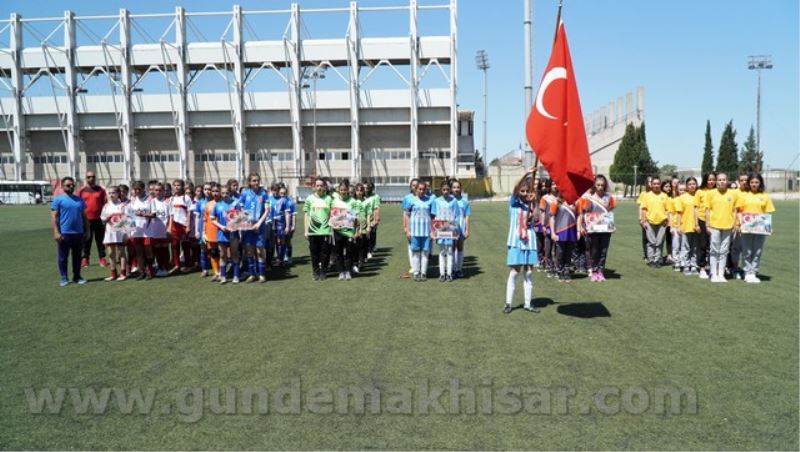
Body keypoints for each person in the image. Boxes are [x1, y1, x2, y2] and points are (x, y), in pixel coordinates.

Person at [504, 168, 539, 313]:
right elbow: (516, 187)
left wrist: (534, 202)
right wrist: (526, 173)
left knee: (529, 273)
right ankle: (508, 304)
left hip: (529, 241)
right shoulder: (514, 202)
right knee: (514, 272)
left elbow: (536, 218)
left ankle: (527, 303)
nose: (525, 194)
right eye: (522, 191)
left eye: (527, 191)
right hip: (516, 241)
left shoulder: (531, 204)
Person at [736, 173, 775, 284]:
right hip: (746, 228)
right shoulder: (744, 196)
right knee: (747, 251)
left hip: (760, 229)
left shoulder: (765, 196)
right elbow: (739, 211)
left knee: (757, 251)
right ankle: (747, 272)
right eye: (752, 182)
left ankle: (754, 272)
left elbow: (767, 213)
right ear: (749, 183)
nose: (754, 184)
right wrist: (740, 224)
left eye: (756, 182)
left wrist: (769, 228)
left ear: (760, 183)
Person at [51, 176, 89, 286]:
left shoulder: (80, 200)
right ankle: (64, 277)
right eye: (68, 185)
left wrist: (87, 230)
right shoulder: (58, 200)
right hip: (64, 233)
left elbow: (84, 216)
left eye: (72, 185)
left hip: (78, 233)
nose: (71, 186)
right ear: (62, 186)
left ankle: (77, 276)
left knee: (77, 257)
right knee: (63, 257)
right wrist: (56, 231)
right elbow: (54, 217)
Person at [577, 175, 616, 282]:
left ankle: (600, 271)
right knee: (594, 251)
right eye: (598, 185)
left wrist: (612, 225)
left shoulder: (609, 197)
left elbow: (610, 212)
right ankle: (593, 271)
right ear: (594, 185)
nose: (600, 187)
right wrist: (581, 226)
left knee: (603, 251)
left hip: (605, 229)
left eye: (602, 185)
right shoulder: (588, 198)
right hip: (592, 229)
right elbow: (583, 213)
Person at [704, 173, 739, 283]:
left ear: (727, 181)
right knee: (714, 250)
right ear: (716, 181)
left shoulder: (732, 194)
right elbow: (707, 210)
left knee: (724, 251)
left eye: (724, 179)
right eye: (719, 180)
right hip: (714, 226)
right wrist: (707, 225)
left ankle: (721, 273)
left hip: (728, 226)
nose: (722, 182)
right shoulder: (710, 193)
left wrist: (735, 224)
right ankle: (713, 273)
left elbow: (735, 211)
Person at [240, 173, 270, 283]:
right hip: (248, 228)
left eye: (257, 180)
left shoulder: (263, 194)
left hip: (260, 227)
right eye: (253, 181)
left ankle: (262, 275)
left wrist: (258, 224)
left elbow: (267, 210)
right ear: (249, 182)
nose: (256, 183)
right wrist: (248, 223)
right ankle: (252, 274)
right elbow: (241, 210)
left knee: (260, 250)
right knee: (249, 251)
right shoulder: (245, 194)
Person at [430, 180, 461, 282]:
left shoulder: (454, 201)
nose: (446, 191)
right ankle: (442, 274)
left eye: (447, 189)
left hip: (450, 230)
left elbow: (456, 217)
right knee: (442, 251)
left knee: (450, 252)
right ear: (441, 190)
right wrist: (434, 231)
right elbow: (434, 217)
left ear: (450, 190)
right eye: (444, 189)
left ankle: (449, 273)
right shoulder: (436, 201)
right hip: (440, 231)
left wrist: (455, 230)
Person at [304, 178, 333, 281]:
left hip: (326, 231)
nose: (319, 187)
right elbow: (307, 215)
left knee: (325, 253)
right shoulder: (309, 199)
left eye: (321, 185)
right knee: (314, 253)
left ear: (324, 187)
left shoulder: (329, 199)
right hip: (313, 231)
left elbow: (332, 214)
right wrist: (306, 230)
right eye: (318, 186)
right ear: (314, 187)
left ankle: (323, 272)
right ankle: (315, 272)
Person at [77, 171, 108, 268]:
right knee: (86, 240)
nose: (91, 178)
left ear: (95, 177)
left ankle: (102, 258)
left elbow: (105, 203)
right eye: (89, 177)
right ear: (86, 178)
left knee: (100, 240)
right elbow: (78, 205)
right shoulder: (81, 190)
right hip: (85, 220)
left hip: (99, 220)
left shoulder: (101, 190)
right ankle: (85, 259)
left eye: (93, 176)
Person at [212, 184, 241, 284]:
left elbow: (240, 218)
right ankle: (223, 276)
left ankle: (236, 276)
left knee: (234, 254)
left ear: (230, 193)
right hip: (222, 234)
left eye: (227, 193)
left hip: (233, 234)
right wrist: (221, 227)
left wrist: (234, 226)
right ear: (220, 193)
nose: (225, 195)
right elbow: (213, 219)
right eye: (223, 193)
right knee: (222, 255)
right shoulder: (217, 205)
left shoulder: (235, 203)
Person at [404, 180, 432, 282]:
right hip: (415, 231)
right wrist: (407, 230)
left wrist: (433, 231)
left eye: (423, 189)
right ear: (416, 190)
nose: (421, 191)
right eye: (419, 189)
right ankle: (416, 272)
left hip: (426, 232)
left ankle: (423, 273)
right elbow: (407, 216)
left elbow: (433, 217)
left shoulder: (429, 201)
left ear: (426, 190)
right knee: (415, 252)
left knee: (425, 253)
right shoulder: (411, 201)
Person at [639, 176, 669, 268]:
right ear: (651, 185)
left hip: (662, 223)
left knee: (659, 242)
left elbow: (668, 210)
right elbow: (644, 209)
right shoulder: (647, 196)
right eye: (654, 184)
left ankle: (657, 259)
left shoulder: (664, 196)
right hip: (649, 222)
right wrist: (643, 221)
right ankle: (651, 260)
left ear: (660, 184)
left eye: (658, 184)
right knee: (651, 242)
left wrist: (667, 220)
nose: (656, 185)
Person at [331, 180, 358, 281]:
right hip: (337, 231)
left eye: (345, 189)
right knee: (338, 253)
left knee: (349, 253)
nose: (343, 191)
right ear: (338, 190)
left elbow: (355, 218)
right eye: (341, 190)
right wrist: (334, 226)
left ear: (348, 190)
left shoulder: (353, 202)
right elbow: (332, 216)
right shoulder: (334, 201)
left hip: (349, 232)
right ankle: (341, 272)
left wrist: (355, 232)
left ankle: (348, 271)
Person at [99, 186, 128, 281]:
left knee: (121, 253)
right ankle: (113, 274)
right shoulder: (106, 206)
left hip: (120, 232)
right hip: (110, 232)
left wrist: (126, 233)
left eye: (113, 193)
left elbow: (128, 220)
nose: (111, 194)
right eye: (110, 193)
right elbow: (102, 220)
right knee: (111, 253)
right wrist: (107, 218)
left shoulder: (123, 205)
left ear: (118, 194)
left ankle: (123, 273)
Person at [550, 186, 578, 282]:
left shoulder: (575, 202)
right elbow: (552, 218)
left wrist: (578, 230)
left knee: (569, 253)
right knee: (560, 252)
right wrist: (553, 232)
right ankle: (559, 270)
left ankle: (566, 271)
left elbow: (579, 216)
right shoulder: (556, 203)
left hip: (571, 232)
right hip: (560, 232)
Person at [145, 182, 171, 277]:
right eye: (156, 190)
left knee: (164, 248)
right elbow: (149, 214)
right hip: (154, 229)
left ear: (163, 191)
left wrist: (169, 228)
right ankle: (160, 267)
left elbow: (170, 216)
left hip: (164, 229)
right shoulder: (151, 202)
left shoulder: (167, 202)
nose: (158, 192)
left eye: (160, 190)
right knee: (157, 249)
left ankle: (165, 267)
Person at [167, 179, 193, 274]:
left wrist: (188, 225)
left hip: (183, 225)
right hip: (174, 225)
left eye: (179, 185)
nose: (177, 187)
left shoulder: (186, 198)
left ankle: (188, 265)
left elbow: (190, 212)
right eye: (175, 185)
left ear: (182, 187)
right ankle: (177, 265)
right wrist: (169, 227)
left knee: (185, 245)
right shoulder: (171, 199)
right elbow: (171, 214)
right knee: (174, 245)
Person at [675, 177, 700, 275]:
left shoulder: (699, 195)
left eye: (694, 184)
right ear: (686, 186)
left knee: (695, 248)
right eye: (689, 184)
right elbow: (679, 214)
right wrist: (678, 226)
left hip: (697, 227)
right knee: (685, 248)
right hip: (685, 226)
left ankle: (693, 265)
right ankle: (686, 265)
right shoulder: (682, 198)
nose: (692, 186)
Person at [728, 173, 751, 279]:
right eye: (742, 180)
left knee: (748, 249)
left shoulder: (752, 193)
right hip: (737, 225)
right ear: (738, 181)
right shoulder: (734, 193)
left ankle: (748, 270)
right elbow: (731, 209)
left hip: (751, 226)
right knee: (735, 248)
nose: (744, 182)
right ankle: (735, 268)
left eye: (746, 180)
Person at [694, 172, 717, 279]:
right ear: (705, 180)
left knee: (714, 246)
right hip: (702, 220)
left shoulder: (718, 191)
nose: (711, 182)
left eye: (713, 179)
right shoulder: (699, 192)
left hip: (716, 221)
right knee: (702, 245)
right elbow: (696, 208)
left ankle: (714, 267)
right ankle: (702, 267)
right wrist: (696, 223)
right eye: (709, 179)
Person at [128, 181, 151, 279]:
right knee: (139, 252)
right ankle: (141, 271)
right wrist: (130, 229)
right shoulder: (132, 201)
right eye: (135, 189)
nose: (137, 191)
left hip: (147, 229)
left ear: (143, 189)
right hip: (136, 230)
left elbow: (153, 214)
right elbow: (130, 216)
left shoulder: (149, 199)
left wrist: (142, 214)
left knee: (148, 251)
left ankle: (149, 271)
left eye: (139, 189)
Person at [400, 178, 420, 278]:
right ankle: (413, 266)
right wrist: (405, 227)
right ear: (411, 187)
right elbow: (405, 214)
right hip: (411, 225)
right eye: (413, 185)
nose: (415, 187)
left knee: (420, 246)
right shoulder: (407, 198)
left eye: (417, 185)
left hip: (420, 225)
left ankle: (419, 265)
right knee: (411, 244)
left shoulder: (424, 197)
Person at [451, 179, 471, 278]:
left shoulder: (464, 202)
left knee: (460, 248)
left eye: (458, 187)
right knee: (452, 248)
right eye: (454, 187)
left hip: (461, 227)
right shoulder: (449, 200)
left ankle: (459, 269)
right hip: (450, 228)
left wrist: (467, 229)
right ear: (451, 189)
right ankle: (452, 269)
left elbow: (467, 216)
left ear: (461, 189)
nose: (456, 189)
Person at [202, 183, 221, 280]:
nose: (215, 193)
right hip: (210, 233)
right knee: (213, 252)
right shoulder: (208, 205)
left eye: (217, 191)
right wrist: (204, 232)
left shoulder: (224, 203)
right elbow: (205, 219)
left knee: (222, 253)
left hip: (221, 232)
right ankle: (216, 272)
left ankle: (222, 272)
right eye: (213, 191)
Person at [194, 183, 211, 277]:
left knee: (214, 249)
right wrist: (196, 230)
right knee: (203, 249)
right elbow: (197, 217)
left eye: (209, 189)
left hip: (212, 228)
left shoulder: (215, 202)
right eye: (205, 189)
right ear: (203, 191)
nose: (207, 191)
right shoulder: (200, 202)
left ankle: (217, 269)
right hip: (202, 228)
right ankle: (204, 269)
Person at [636, 176, 653, 262]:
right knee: (645, 238)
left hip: (654, 219)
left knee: (655, 238)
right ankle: (646, 255)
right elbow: (641, 207)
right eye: (649, 182)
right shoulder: (644, 194)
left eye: (652, 181)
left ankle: (653, 255)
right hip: (645, 219)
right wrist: (640, 219)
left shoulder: (657, 193)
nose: (651, 183)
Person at [364, 181, 381, 258]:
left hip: (371, 218)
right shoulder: (362, 197)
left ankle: (370, 249)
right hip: (363, 218)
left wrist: (376, 219)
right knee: (364, 236)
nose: (366, 190)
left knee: (371, 234)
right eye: (365, 188)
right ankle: (366, 250)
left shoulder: (375, 197)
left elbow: (376, 208)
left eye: (368, 188)